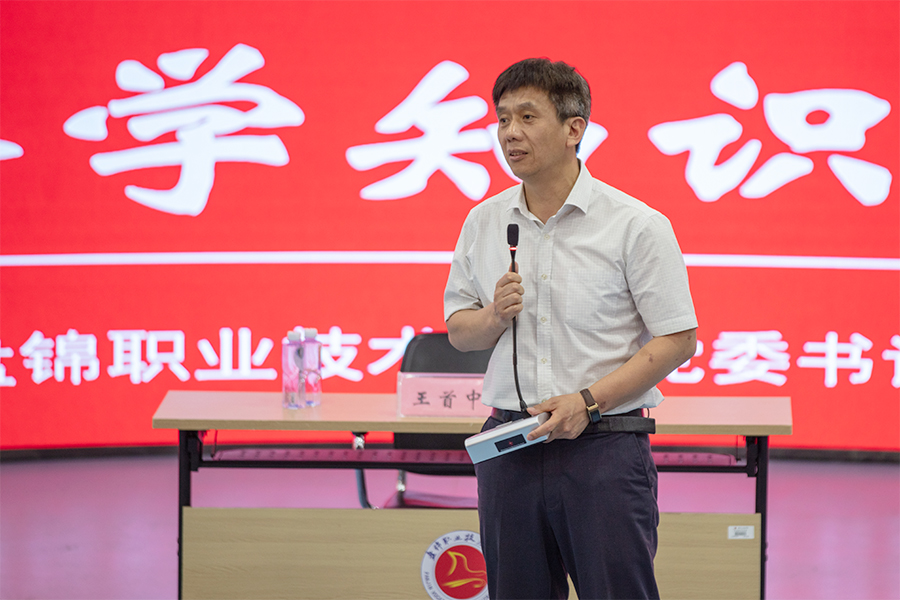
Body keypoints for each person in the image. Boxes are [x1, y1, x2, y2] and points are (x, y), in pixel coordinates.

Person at [443, 58, 698, 599]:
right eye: (502, 119)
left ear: (573, 129)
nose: (510, 133)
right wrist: (492, 317)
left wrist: (587, 402)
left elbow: (678, 339)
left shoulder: (636, 224)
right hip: (509, 447)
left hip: (603, 447)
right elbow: (460, 332)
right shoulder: (483, 221)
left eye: (527, 117)